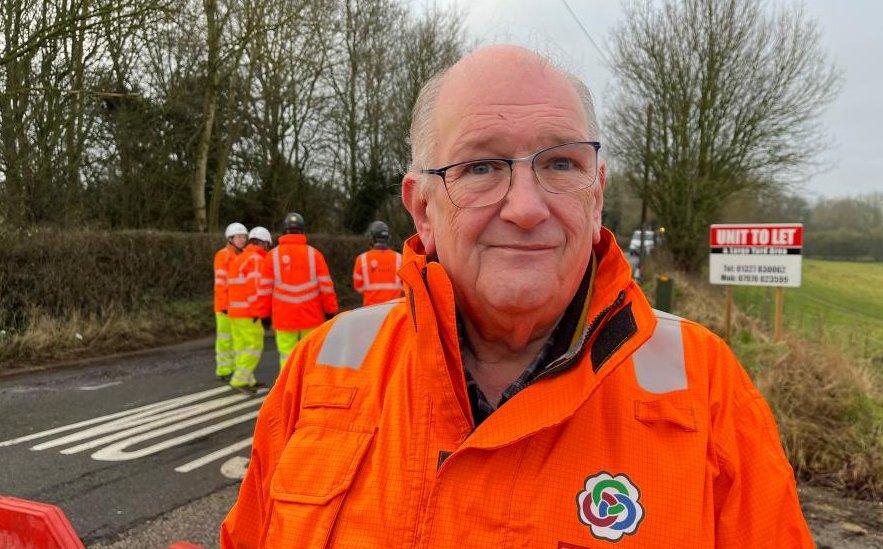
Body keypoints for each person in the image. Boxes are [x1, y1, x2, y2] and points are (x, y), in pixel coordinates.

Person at [222, 45, 813, 547]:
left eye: (560, 162)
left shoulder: (705, 389)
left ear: (596, 193)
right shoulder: (323, 371)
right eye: (481, 166)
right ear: (422, 208)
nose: (527, 208)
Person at [259, 212, 339, 368]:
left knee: (287, 357)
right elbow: (326, 287)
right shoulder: (314, 255)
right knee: (311, 355)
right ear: (302, 231)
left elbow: (264, 290)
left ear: (283, 231)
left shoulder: (272, 256)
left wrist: (264, 316)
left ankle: (289, 389)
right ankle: (308, 389)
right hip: (311, 317)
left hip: (284, 318)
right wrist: (330, 311)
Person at [226, 226, 272, 393]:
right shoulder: (256, 260)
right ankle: (239, 380)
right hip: (248, 313)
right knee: (254, 346)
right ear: (264, 244)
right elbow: (255, 289)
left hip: (234, 312)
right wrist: (259, 312)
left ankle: (248, 379)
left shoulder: (240, 258)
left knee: (241, 347)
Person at [213, 222, 247, 380]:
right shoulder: (223, 255)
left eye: (243, 237)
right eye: (239, 237)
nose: (242, 240)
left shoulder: (244, 255)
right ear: (230, 238)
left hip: (239, 308)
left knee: (237, 340)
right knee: (225, 340)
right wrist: (225, 305)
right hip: (224, 307)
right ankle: (224, 370)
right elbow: (221, 284)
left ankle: (235, 369)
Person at [352, 220, 403, 306]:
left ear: (372, 238)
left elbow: (358, 287)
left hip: (371, 309)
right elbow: (406, 286)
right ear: (388, 238)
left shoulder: (362, 259)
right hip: (393, 309)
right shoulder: (400, 258)